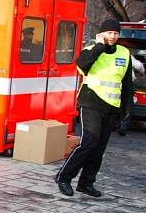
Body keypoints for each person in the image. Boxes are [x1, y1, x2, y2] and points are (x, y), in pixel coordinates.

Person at [55, 18, 132, 197]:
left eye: (115, 33)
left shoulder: (124, 53)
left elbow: (127, 83)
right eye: (109, 33)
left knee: (99, 148)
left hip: (112, 106)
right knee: (89, 142)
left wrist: (127, 109)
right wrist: (99, 46)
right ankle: (64, 177)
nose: (112, 36)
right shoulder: (91, 50)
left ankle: (86, 183)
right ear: (101, 34)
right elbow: (82, 65)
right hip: (91, 102)